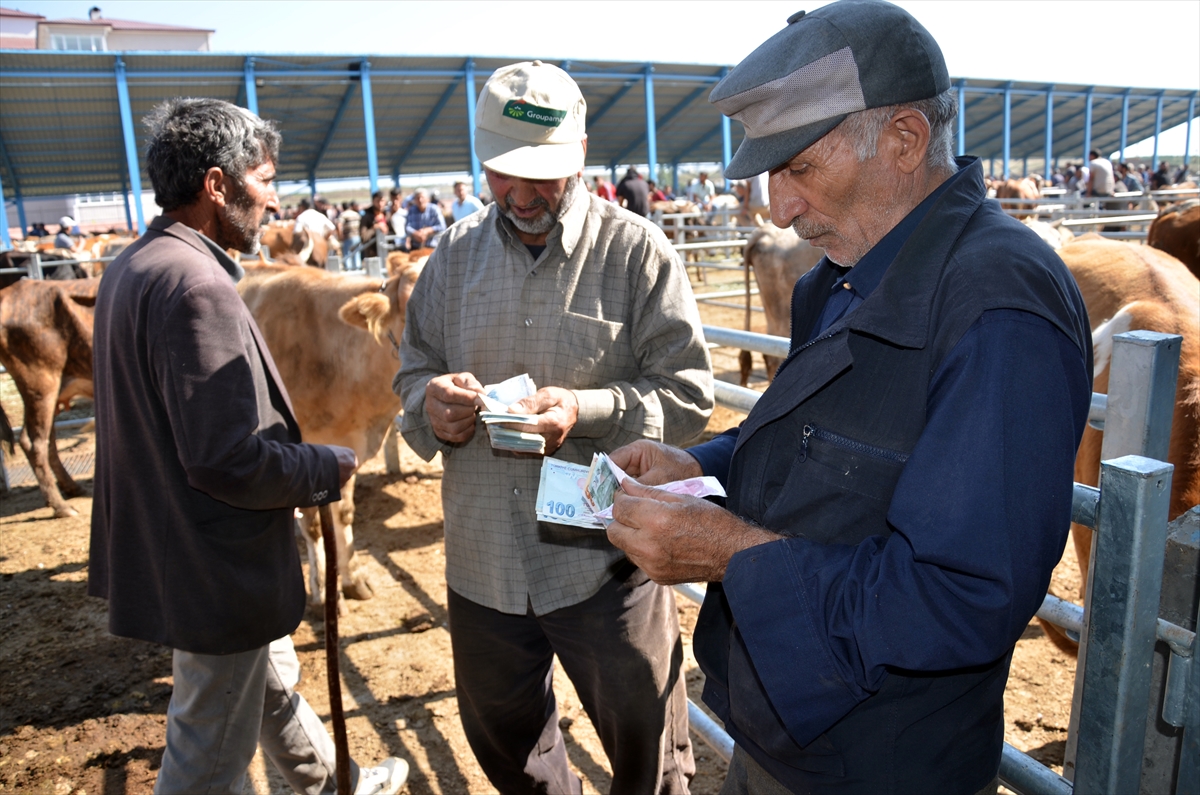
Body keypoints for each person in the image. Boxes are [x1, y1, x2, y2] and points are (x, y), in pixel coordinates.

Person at [602, 3, 1093, 793]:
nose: (777, 206)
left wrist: (728, 552)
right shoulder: (841, 274)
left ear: (903, 140)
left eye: (799, 167)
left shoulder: (999, 303)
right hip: (784, 726)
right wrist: (694, 465)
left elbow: (962, 594)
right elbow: (815, 445)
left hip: (880, 760)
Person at [395, 60, 713, 795]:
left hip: (605, 556)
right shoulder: (452, 258)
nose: (524, 194)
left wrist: (587, 409)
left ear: (582, 152)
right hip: (483, 565)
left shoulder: (636, 254)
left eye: (545, 172)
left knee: (647, 754)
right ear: (482, 160)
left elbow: (690, 395)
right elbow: (412, 371)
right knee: (508, 749)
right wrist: (429, 403)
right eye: (506, 173)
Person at [88, 97, 408, 795]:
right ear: (216, 184)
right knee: (205, 758)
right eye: (263, 179)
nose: (273, 198)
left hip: (176, 542)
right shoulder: (199, 286)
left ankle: (333, 783)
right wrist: (326, 464)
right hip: (212, 562)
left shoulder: (134, 264)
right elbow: (225, 457)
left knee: (267, 679)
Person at [339, 200, 363, 269]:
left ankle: (348, 268)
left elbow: (339, 224)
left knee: (346, 252)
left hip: (348, 236)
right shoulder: (356, 214)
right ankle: (358, 267)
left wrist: (341, 235)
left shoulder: (343, 215)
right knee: (356, 252)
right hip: (357, 236)